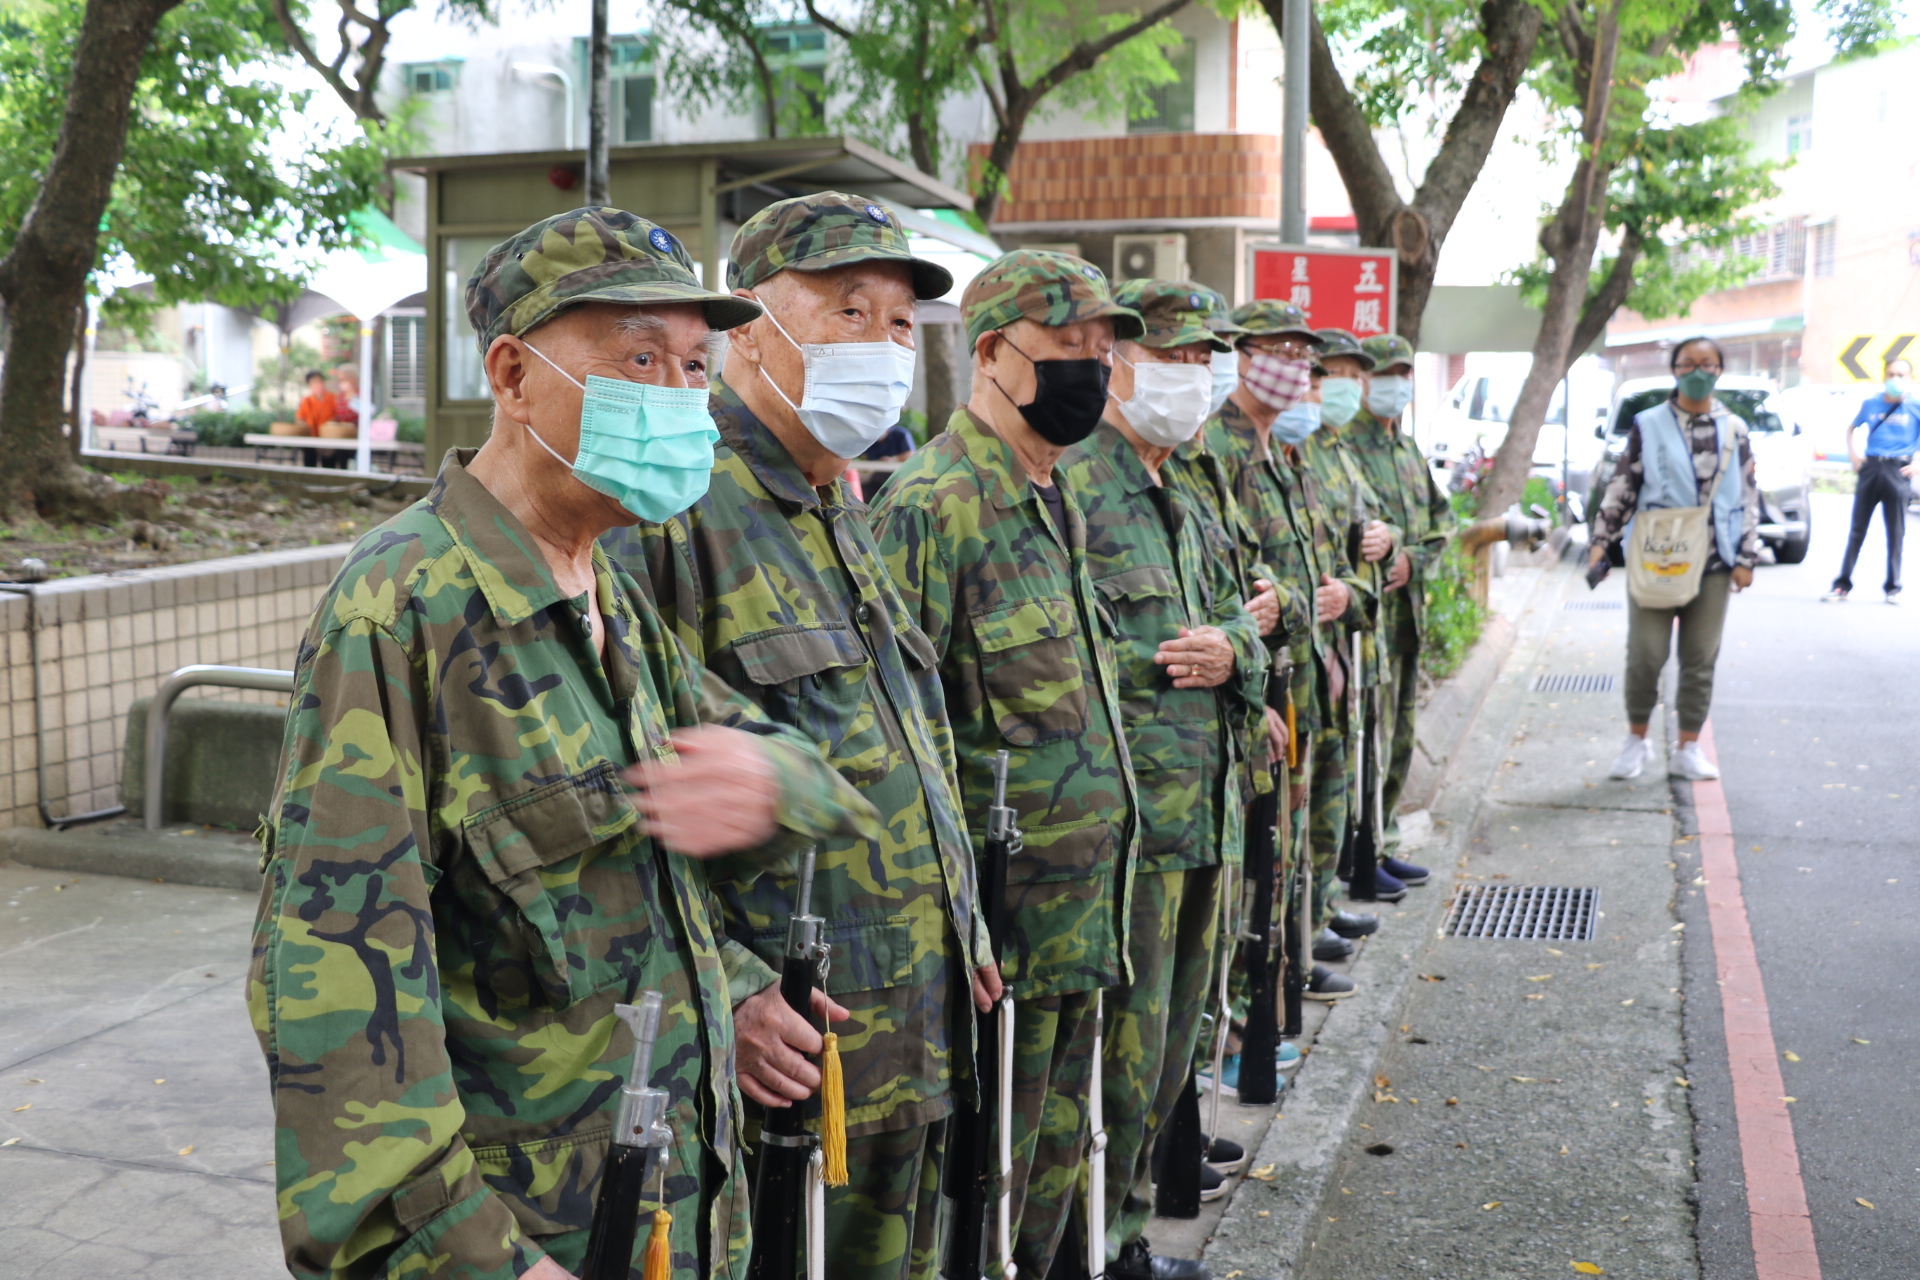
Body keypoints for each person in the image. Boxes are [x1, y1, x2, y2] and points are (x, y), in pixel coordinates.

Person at [248, 207, 882, 1280]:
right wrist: (475, 1256)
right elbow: (332, 999)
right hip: (533, 1239)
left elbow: (778, 787)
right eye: (641, 357)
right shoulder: (401, 611)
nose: (684, 396)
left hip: (669, 1205)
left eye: (694, 364)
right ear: (511, 373)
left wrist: (756, 843)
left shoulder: (610, 592)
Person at [600, 192, 994, 1280]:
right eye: (847, 311)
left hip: (905, 1016)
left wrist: (965, 919)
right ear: (749, 331)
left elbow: (908, 736)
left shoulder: (837, 500)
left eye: (901, 326)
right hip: (783, 1051)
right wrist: (722, 983)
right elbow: (620, 778)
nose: (881, 347)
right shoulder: (675, 498)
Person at [868, 249, 1141, 1280]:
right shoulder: (931, 508)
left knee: (1054, 1179)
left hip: (1080, 915)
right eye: (1070, 349)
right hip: (999, 939)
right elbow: (907, 734)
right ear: (992, 353)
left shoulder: (1053, 496)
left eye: (1103, 352)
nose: (1095, 371)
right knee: (980, 1205)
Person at [1061, 279, 1268, 1280]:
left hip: (1207, 816)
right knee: (1116, 1057)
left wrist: (1235, 655)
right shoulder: (1070, 487)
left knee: (1178, 1042)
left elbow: (1246, 620)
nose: (1193, 380)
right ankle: (1096, 1241)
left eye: (1202, 363)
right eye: (1175, 359)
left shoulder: (1181, 493)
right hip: (1128, 835)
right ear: (1121, 364)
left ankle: (1127, 1228)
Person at [1207, 301, 1374, 1002]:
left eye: (1304, 357)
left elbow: (1320, 569)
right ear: (1243, 357)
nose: (1298, 370)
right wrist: (1299, 608)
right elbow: (1241, 585)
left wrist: (1341, 596)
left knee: (1290, 841)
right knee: (1259, 854)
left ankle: (1286, 970)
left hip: (1306, 680)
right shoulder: (1220, 452)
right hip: (1261, 686)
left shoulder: (1288, 456)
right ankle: (1252, 997)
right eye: (1282, 351)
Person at [1590, 335, 1759, 781]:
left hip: (1717, 561)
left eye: (1706, 363)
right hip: (1657, 557)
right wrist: (1600, 542)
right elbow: (1622, 486)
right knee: (1645, 654)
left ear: (1720, 369)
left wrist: (1747, 557)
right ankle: (1636, 740)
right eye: (1687, 364)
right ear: (1675, 370)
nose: (1697, 372)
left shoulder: (1735, 429)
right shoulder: (1648, 424)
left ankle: (1687, 747)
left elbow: (1747, 496)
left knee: (1700, 657)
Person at [1299, 330, 1420, 910]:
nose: (1346, 387)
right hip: (1317, 637)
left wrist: (1391, 541)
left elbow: (1383, 520)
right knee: (1320, 776)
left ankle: (1339, 884)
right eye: (1333, 373)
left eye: (1355, 375)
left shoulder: (1338, 447)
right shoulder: (1304, 447)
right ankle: (1324, 897)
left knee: (1360, 755)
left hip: (1358, 628)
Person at [1352, 333, 1457, 849]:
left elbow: (1445, 519)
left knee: (1400, 734)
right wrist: (1392, 551)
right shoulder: (1343, 445)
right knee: (1369, 732)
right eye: (1382, 374)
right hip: (1365, 621)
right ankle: (1368, 843)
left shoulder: (1407, 448)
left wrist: (1415, 558)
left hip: (1406, 615)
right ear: (1361, 380)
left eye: (1402, 374)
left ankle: (1385, 832)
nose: (1393, 384)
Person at [1827, 356, 1919, 603]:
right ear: (1884, 377)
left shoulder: (1915, 406)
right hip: (1871, 468)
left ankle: (1893, 587)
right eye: (1891, 374)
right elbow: (1851, 428)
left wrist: (1917, 462)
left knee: (1896, 531)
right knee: (1857, 530)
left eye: (1901, 375)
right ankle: (1842, 584)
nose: (1895, 379)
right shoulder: (1871, 404)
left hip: (1898, 470)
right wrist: (1853, 455)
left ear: (1910, 378)